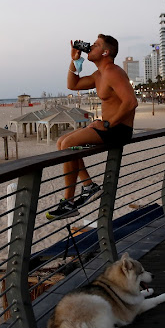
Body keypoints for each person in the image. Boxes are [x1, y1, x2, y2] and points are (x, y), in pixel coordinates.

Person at [46, 34, 138, 220]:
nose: (90, 47)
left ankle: (69, 202)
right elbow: (73, 85)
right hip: (108, 127)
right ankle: (88, 185)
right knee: (62, 142)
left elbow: (131, 102)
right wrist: (75, 60)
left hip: (118, 130)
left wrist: (108, 124)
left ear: (105, 52)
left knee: (68, 144)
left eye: (95, 45)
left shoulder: (113, 71)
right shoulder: (99, 75)